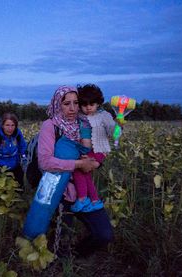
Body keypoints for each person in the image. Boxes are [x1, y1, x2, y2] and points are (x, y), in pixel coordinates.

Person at [25, 85, 113, 257]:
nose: (72, 108)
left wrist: (96, 163)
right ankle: (61, 263)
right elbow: (45, 162)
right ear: (58, 104)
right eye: (66, 103)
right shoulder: (50, 126)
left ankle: (78, 256)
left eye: (75, 103)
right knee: (61, 242)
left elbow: (100, 149)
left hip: (85, 192)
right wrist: (79, 164)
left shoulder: (85, 123)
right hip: (59, 192)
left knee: (104, 234)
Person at [70, 84, 117, 212]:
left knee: (78, 169)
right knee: (85, 174)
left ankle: (82, 199)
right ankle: (95, 201)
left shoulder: (104, 116)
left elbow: (114, 133)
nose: (88, 108)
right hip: (87, 150)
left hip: (98, 150)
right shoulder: (79, 115)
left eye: (92, 104)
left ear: (98, 103)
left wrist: (118, 125)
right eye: (84, 105)